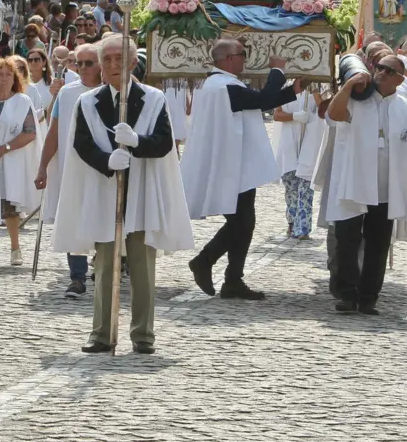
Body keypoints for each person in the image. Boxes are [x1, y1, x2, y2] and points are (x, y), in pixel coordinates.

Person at [52, 35, 192, 354]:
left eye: (120, 58)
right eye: (109, 59)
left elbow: (164, 142)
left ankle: (143, 334)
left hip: (140, 192)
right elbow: (81, 144)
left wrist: (137, 142)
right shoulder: (88, 103)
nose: (114, 64)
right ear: (101, 65)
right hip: (106, 191)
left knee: (142, 268)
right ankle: (102, 332)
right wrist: (106, 161)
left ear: (132, 62)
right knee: (104, 266)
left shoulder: (153, 99)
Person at [183, 38, 296, 300]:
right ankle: (205, 261)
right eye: (242, 54)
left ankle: (232, 279)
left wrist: (293, 91)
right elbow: (263, 99)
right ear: (228, 59)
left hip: (233, 161)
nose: (245, 59)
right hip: (229, 164)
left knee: (244, 222)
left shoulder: (219, 85)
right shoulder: (225, 86)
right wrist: (277, 70)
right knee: (241, 222)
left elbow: (257, 101)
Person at [326, 54, 407, 314]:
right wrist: (349, 84)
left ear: (401, 78)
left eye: (389, 71)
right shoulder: (356, 100)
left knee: (378, 245)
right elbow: (333, 114)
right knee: (347, 240)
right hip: (354, 183)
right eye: (378, 68)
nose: (381, 73)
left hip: (387, 188)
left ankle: (368, 297)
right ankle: (346, 294)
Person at [35, 43, 100, 298]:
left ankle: (105, 264)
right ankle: (77, 276)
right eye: (79, 63)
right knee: (73, 217)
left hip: (102, 166)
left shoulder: (112, 92)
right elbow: (54, 132)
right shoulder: (67, 93)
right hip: (71, 167)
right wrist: (42, 166)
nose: (82, 68)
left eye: (89, 63)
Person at [0, 57, 40, 266]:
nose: (4, 79)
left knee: (9, 205)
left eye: (8, 74)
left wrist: (4, 148)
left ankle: (15, 247)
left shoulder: (22, 102)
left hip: (11, 158)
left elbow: (30, 132)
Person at [273, 81, 325, 240]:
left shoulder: (320, 88)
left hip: (310, 143)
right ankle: (292, 221)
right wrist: (294, 116)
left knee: (305, 187)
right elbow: (277, 114)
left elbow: (324, 111)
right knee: (291, 188)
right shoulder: (286, 88)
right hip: (289, 143)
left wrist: (315, 91)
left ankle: (302, 227)